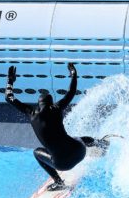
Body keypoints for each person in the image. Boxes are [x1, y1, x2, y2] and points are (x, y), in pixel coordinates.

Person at [5, 62, 99, 190]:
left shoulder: (31, 113)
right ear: (51, 103)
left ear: (38, 104)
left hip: (62, 164)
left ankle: (59, 182)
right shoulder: (56, 108)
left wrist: (10, 81)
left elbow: (8, 97)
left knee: (36, 152)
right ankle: (100, 143)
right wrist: (73, 73)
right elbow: (71, 92)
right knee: (78, 139)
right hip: (80, 152)